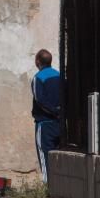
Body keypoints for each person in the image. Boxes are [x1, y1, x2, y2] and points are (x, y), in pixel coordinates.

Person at [32, 48, 61, 184]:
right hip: (59, 123)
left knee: (44, 155)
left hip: (44, 123)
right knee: (57, 155)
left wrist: (53, 111)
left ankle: (48, 186)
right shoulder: (59, 75)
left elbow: (39, 99)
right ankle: (59, 184)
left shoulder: (38, 78)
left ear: (38, 61)